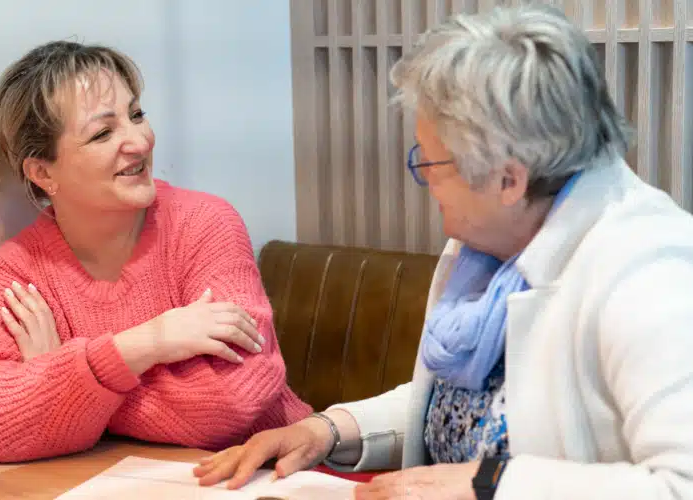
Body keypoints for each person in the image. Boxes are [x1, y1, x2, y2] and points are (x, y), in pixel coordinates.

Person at [194, 5, 693, 499]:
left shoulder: (650, 272)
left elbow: (680, 483)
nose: (425, 179)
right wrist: (327, 430)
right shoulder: (489, 247)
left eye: (431, 162)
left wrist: (491, 482)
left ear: (509, 180)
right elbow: (465, 408)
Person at [0, 41, 312, 463]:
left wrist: (61, 381)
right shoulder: (14, 275)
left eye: (136, 114)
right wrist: (143, 344)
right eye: (103, 133)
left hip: (273, 474)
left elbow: (234, 398)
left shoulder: (204, 224)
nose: (140, 141)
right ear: (43, 172)